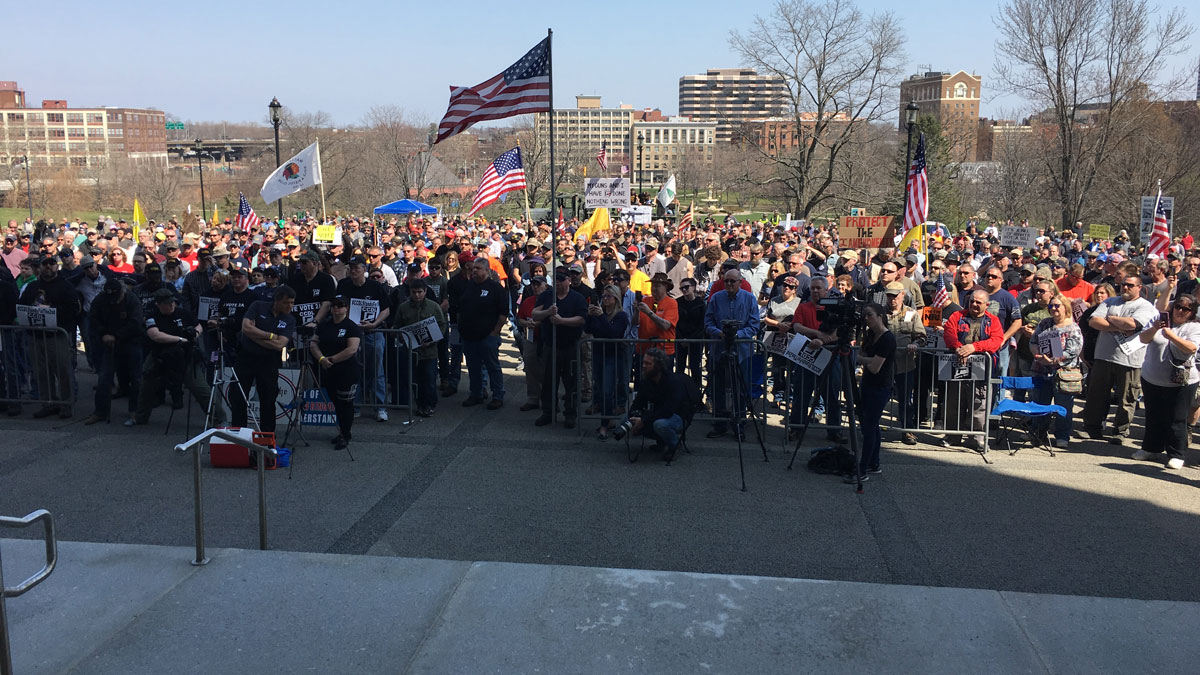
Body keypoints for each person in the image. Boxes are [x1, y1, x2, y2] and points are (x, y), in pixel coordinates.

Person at [1081, 275, 1159, 443]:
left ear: (1139, 287)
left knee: (1127, 397)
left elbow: (1133, 324)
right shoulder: (1110, 302)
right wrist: (1118, 325)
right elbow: (1094, 321)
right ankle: (1092, 428)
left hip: (1130, 359)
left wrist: (1109, 318)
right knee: (1096, 394)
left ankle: (1120, 431)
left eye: (1130, 285)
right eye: (1123, 284)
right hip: (1104, 356)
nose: (1125, 288)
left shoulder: (1145, 306)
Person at [1133, 293, 1200, 469]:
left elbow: (1191, 348)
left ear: (1192, 312)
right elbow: (1143, 339)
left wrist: (1171, 336)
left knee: (1177, 418)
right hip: (1152, 377)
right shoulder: (1159, 319)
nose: (1180, 311)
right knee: (1154, 415)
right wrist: (1155, 328)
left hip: (1182, 382)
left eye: (1186, 309)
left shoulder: (1194, 327)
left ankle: (1176, 453)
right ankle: (1151, 448)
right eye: (1178, 306)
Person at [19, 255, 82, 419]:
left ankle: (66, 404)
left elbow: (73, 308)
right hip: (36, 335)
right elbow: (23, 304)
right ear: (40, 268)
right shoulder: (32, 286)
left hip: (57, 335)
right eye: (45, 264)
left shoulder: (65, 286)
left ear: (56, 266)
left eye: (52, 264)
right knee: (41, 373)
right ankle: (48, 403)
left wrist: (51, 310)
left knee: (62, 371)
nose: (48, 267)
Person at [129, 288, 203, 426]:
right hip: (160, 355)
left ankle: (217, 418)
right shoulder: (152, 316)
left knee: (200, 388)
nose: (171, 305)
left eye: (173, 303)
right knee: (146, 386)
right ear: (158, 304)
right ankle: (140, 417)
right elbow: (155, 335)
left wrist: (194, 334)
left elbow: (198, 325)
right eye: (167, 303)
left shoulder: (182, 313)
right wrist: (180, 339)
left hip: (184, 355)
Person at [942, 289, 1005, 450]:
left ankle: (977, 438)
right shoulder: (957, 316)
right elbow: (949, 333)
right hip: (956, 364)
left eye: (978, 302)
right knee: (953, 402)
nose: (974, 305)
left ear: (987, 305)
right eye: (972, 301)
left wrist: (973, 347)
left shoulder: (993, 321)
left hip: (982, 368)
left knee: (979, 404)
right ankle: (952, 436)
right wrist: (958, 348)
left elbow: (996, 341)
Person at [230, 286, 297, 434]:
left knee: (267, 399)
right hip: (246, 357)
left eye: (292, 303)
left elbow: (280, 344)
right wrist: (272, 336)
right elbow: (245, 329)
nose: (290, 306)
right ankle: (238, 433)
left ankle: (267, 436)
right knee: (238, 396)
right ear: (277, 301)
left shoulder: (290, 319)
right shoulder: (258, 306)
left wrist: (255, 336)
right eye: (287, 302)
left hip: (268, 361)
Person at [704, 269, 760, 440]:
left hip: (742, 352)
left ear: (740, 282)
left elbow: (754, 325)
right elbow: (707, 322)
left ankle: (739, 423)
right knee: (718, 387)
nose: (729, 284)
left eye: (732, 281)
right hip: (719, 350)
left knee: (740, 389)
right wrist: (719, 333)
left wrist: (738, 335)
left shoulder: (749, 298)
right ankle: (720, 423)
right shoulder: (716, 298)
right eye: (726, 281)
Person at [532, 267, 587, 427]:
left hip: (570, 346)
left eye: (561, 280)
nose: (558, 283)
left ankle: (570, 413)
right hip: (551, 345)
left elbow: (582, 319)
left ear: (568, 280)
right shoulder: (547, 296)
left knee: (571, 382)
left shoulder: (577, 298)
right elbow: (535, 313)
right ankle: (548, 411)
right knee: (548, 380)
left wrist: (562, 321)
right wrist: (548, 312)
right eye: (556, 280)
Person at [337, 256, 391, 421]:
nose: (353, 271)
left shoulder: (375, 286)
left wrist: (374, 323)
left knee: (377, 371)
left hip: (373, 334)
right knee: (354, 370)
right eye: (351, 267)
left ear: (364, 269)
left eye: (356, 268)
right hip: (351, 335)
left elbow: (386, 309)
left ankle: (380, 407)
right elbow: (337, 307)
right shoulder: (343, 285)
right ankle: (356, 405)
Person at [83, 278, 143, 425]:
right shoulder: (101, 299)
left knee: (136, 378)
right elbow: (94, 319)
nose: (114, 301)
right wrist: (103, 334)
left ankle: (135, 411)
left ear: (122, 292)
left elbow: (135, 323)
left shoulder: (132, 300)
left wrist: (116, 336)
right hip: (109, 342)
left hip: (131, 341)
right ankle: (100, 412)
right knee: (104, 377)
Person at [848, 303, 896, 483]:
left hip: (881, 386)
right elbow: (866, 356)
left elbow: (875, 367)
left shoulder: (887, 338)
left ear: (880, 316)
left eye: (870, 315)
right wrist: (865, 359)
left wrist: (860, 359)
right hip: (867, 384)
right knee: (872, 426)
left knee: (869, 428)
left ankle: (864, 467)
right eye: (864, 316)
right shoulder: (870, 336)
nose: (866, 319)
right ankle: (873, 463)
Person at [1029, 290, 1083, 448]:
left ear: (1065, 307)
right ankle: (1039, 435)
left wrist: (1053, 360)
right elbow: (1033, 341)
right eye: (1051, 305)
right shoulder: (1045, 323)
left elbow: (1073, 351)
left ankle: (1062, 436)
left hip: (1063, 372)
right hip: (1041, 370)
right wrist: (1038, 356)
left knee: (1063, 406)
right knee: (1040, 404)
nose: (1054, 308)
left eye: (1057, 305)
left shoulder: (1073, 328)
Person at [309, 294, 362, 450]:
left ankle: (346, 434)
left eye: (340, 305)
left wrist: (331, 360)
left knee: (346, 403)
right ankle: (341, 431)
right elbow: (314, 344)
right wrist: (322, 360)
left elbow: (351, 349)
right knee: (335, 402)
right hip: (327, 369)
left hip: (346, 370)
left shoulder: (351, 326)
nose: (336, 308)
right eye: (333, 305)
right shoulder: (325, 325)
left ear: (346, 308)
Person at [619, 348, 692, 460]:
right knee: (625, 420)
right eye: (643, 362)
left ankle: (676, 445)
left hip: (677, 416)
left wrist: (643, 421)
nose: (643, 366)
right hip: (657, 414)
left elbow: (667, 410)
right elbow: (638, 403)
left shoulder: (672, 382)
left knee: (660, 424)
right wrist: (633, 417)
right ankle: (661, 442)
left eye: (648, 363)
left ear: (658, 366)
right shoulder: (646, 380)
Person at [393, 276, 448, 417]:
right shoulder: (403, 307)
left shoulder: (433, 306)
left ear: (424, 292)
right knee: (415, 380)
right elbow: (397, 326)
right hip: (412, 351)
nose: (417, 295)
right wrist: (402, 337)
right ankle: (420, 404)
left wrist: (433, 339)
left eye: (419, 292)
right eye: (414, 292)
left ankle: (430, 404)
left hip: (429, 351)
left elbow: (442, 325)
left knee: (429, 378)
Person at [458, 257, 508, 409]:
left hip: (488, 336)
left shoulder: (495, 288)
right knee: (473, 368)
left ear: (487, 270)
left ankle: (498, 396)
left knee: (492, 367)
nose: (474, 271)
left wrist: (495, 332)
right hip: (469, 336)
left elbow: (503, 313)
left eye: (478, 268)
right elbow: (460, 307)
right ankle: (476, 394)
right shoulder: (468, 286)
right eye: (473, 268)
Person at [585, 284, 630, 439]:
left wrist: (600, 317)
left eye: (608, 296)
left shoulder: (621, 316)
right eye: (603, 296)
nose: (605, 299)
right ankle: (608, 419)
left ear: (616, 298)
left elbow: (613, 333)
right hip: (598, 354)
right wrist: (590, 315)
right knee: (600, 387)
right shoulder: (600, 313)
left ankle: (604, 425)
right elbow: (588, 329)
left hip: (612, 355)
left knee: (607, 390)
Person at [884, 281, 927, 444]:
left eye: (895, 295)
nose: (892, 299)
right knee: (878, 398)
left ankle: (907, 431)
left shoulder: (911, 314)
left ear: (902, 295)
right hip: (883, 364)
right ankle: (871, 428)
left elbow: (921, 337)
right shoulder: (880, 313)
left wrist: (915, 345)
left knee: (906, 400)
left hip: (905, 364)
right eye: (889, 295)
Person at [516, 275, 549, 412]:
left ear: (545, 286)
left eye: (538, 284)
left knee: (547, 370)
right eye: (534, 284)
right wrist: (526, 323)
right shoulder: (528, 301)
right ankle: (533, 398)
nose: (535, 287)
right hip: (531, 338)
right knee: (530, 367)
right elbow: (520, 319)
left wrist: (539, 323)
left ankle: (549, 400)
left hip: (546, 340)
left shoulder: (550, 301)